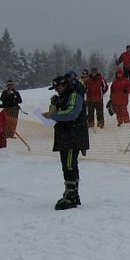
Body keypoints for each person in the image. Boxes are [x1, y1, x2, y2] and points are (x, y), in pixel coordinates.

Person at [42, 75, 89, 209]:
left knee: (69, 165)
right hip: (66, 135)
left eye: (57, 87)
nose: (56, 90)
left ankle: (71, 196)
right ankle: (72, 192)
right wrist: (55, 105)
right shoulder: (64, 96)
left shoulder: (74, 95)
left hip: (72, 135)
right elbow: (62, 111)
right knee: (69, 164)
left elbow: (72, 113)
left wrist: (53, 115)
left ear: (64, 85)